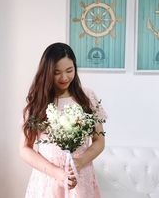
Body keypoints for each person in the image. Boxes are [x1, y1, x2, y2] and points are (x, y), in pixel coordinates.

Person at [19, 42, 107, 198]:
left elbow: (99, 141)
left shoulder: (86, 98)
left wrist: (79, 162)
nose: (64, 77)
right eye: (57, 72)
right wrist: (57, 173)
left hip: (80, 176)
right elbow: (25, 148)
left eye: (69, 70)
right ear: (47, 72)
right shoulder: (38, 102)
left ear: (75, 68)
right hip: (48, 180)